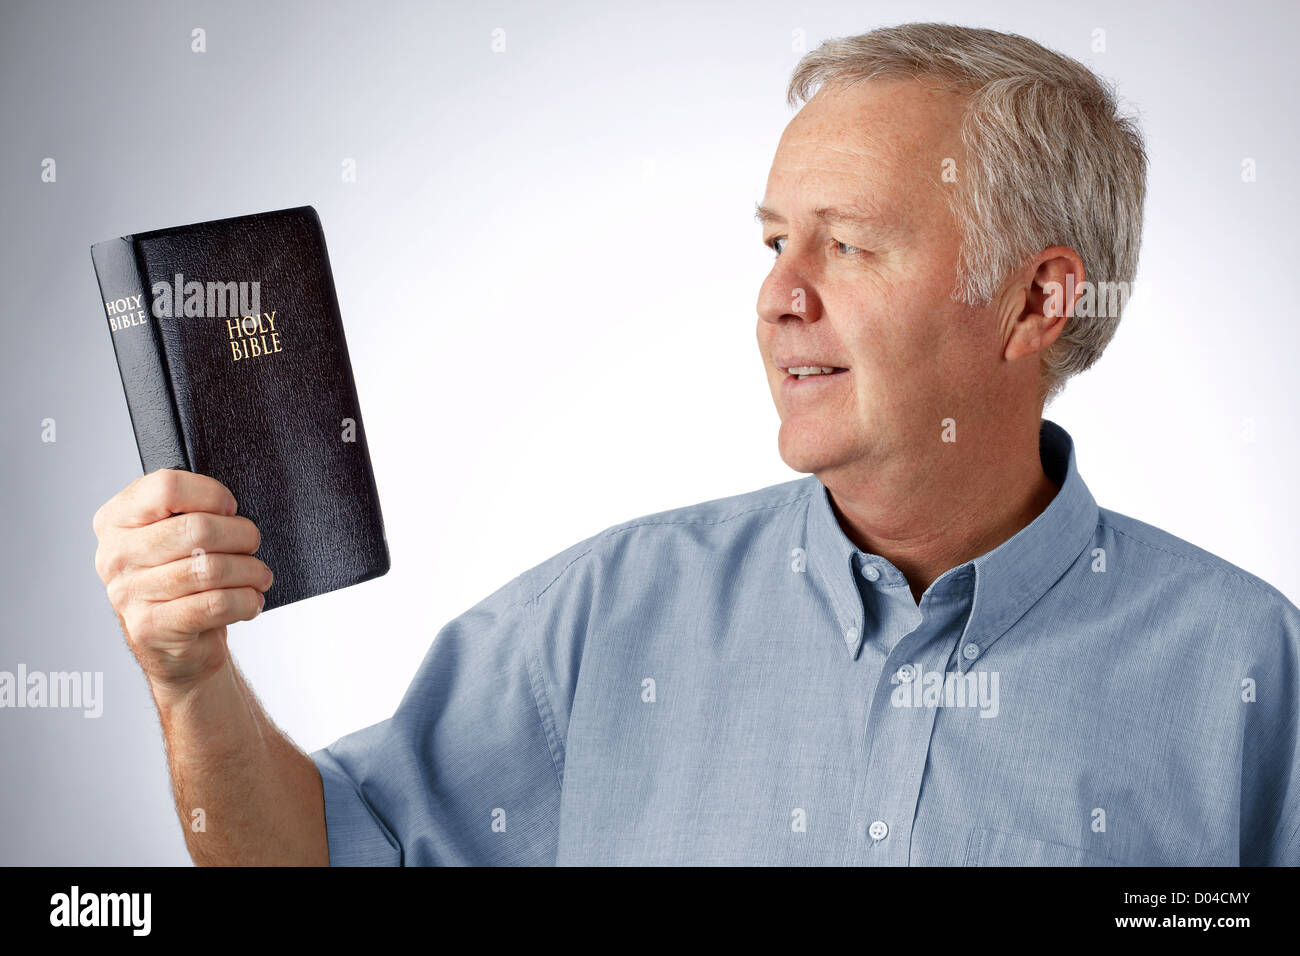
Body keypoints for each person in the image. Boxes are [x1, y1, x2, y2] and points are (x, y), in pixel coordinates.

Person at [92, 22, 1299, 866]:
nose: (780, 297)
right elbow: (316, 860)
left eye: (850, 244)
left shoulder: (1245, 668)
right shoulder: (606, 618)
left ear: (1039, 303)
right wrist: (192, 684)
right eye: (775, 242)